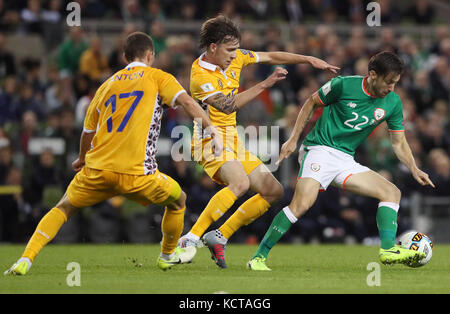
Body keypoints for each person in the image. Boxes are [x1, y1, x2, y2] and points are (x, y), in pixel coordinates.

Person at [4, 31, 223, 276]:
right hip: (137, 173)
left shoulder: (106, 85)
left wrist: (82, 157)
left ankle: (25, 259)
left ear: (124, 56)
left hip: (98, 170)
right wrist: (211, 128)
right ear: (150, 55)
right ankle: (167, 255)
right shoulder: (158, 77)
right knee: (178, 200)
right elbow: (188, 103)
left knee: (63, 208)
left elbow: (88, 131)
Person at [247, 51, 434, 271]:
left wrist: (414, 168)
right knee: (302, 204)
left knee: (391, 192)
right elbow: (310, 103)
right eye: (389, 82)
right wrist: (293, 139)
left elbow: (399, 142)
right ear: (373, 75)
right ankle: (258, 257)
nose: (391, 88)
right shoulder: (343, 85)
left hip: (345, 158)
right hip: (319, 149)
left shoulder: (393, 102)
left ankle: (387, 251)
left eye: (395, 83)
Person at [177, 15, 339, 268]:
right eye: (229, 50)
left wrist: (307, 58)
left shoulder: (236, 57)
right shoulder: (200, 76)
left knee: (273, 190)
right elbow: (228, 105)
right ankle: (190, 238)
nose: (234, 55)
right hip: (208, 139)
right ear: (212, 47)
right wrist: (266, 83)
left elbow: (272, 56)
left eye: (235, 49)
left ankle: (220, 235)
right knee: (239, 182)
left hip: (232, 139)